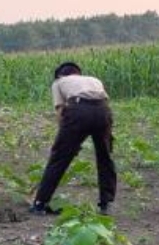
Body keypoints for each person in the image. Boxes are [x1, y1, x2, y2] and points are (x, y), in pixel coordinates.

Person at [29, 61, 116, 215]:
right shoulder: (94, 79)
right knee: (105, 157)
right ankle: (106, 204)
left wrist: (66, 141)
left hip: (78, 111)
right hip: (103, 111)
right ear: (78, 72)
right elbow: (103, 104)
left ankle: (40, 203)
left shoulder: (59, 82)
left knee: (59, 158)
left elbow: (61, 110)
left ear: (60, 75)